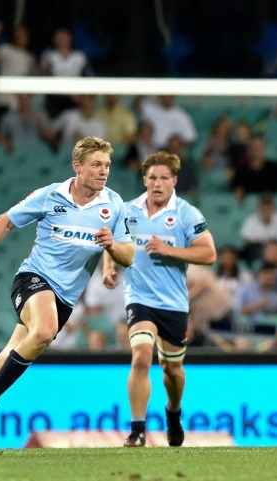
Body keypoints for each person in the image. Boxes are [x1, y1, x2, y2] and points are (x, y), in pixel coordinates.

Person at [0, 136, 134, 449]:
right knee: (45, 330)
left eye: (107, 164)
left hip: (64, 299)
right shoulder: (50, 195)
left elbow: (129, 255)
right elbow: (5, 221)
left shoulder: (114, 205)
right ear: (77, 166)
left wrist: (112, 246)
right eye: (96, 164)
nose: (103, 170)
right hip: (33, 278)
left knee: (3, 363)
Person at [102, 150, 217, 448]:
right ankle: (138, 430)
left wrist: (170, 250)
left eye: (163, 178)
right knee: (141, 356)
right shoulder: (127, 211)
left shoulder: (186, 214)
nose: (157, 183)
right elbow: (111, 241)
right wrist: (109, 266)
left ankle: (173, 412)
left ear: (174, 181)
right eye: (152, 177)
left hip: (174, 305)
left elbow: (209, 253)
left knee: (172, 372)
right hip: (139, 298)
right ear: (144, 180)